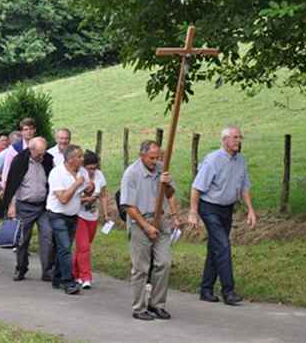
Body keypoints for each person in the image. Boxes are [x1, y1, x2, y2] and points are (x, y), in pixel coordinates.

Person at [189, 126, 257, 306]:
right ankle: (229, 291)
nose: (238, 141)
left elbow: (244, 187)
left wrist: (250, 210)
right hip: (209, 208)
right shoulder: (213, 160)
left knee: (216, 248)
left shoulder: (241, 160)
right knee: (223, 246)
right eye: (235, 137)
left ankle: (206, 290)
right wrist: (193, 212)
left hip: (227, 209)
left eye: (240, 137)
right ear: (225, 140)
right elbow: (196, 188)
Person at [120, 140, 177, 321]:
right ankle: (139, 308)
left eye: (158, 157)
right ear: (142, 155)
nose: (155, 161)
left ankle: (157, 304)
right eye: (152, 158)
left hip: (161, 220)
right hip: (140, 222)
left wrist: (167, 184)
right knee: (141, 267)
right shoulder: (131, 174)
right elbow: (128, 206)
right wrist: (146, 226)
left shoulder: (161, 169)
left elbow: (170, 194)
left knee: (164, 263)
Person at [4, 137, 55, 282]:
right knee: (22, 239)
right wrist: (11, 206)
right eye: (39, 154)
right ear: (31, 150)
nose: (41, 156)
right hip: (24, 206)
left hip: (43, 206)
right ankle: (21, 268)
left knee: (48, 236)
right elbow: (12, 185)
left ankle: (47, 271)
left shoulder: (47, 159)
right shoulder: (19, 161)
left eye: (43, 153)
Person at [47, 144, 92, 295]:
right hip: (57, 214)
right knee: (65, 248)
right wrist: (76, 183)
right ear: (70, 159)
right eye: (79, 157)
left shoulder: (82, 172)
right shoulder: (57, 173)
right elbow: (63, 199)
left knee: (63, 248)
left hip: (73, 215)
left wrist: (90, 188)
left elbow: (86, 190)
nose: (82, 159)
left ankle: (57, 278)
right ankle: (68, 282)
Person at [72, 150, 110, 289]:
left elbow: (103, 195)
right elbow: (73, 197)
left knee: (82, 248)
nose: (92, 171)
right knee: (84, 247)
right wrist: (87, 199)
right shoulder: (79, 175)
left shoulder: (99, 175)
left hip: (93, 216)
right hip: (79, 215)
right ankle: (86, 277)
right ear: (84, 166)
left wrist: (106, 213)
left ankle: (74, 273)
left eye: (94, 168)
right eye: (90, 168)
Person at [0, 118, 36, 188]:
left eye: (31, 129)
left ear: (35, 130)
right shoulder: (14, 149)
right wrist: (4, 186)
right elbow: (7, 168)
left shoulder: (39, 145)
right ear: (21, 132)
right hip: (18, 185)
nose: (29, 132)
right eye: (26, 129)